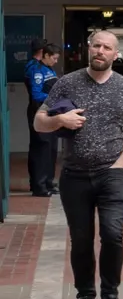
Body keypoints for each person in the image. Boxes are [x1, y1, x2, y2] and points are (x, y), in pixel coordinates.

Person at [34, 30, 123, 299]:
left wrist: (121, 164)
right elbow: (39, 122)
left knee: (112, 235)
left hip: (113, 175)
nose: (100, 51)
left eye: (107, 47)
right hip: (75, 177)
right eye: (96, 45)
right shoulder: (67, 83)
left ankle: (111, 297)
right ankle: (85, 298)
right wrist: (59, 120)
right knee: (81, 240)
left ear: (115, 54)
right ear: (88, 48)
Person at [25, 39, 61, 196]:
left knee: (51, 148)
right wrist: (56, 99)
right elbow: (36, 94)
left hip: (51, 112)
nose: (56, 61)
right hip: (39, 111)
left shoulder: (49, 69)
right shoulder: (36, 69)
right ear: (45, 54)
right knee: (41, 148)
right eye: (54, 57)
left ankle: (48, 182)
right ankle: (39, 185)